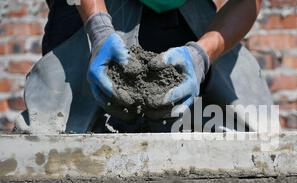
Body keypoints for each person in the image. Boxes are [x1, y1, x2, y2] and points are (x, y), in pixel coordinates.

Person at [16, 0, 276, 134]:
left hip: (185, 10)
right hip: (90, 10)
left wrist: (201, 54)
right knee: (47, 133)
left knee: (259, 139)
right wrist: (99, 30)